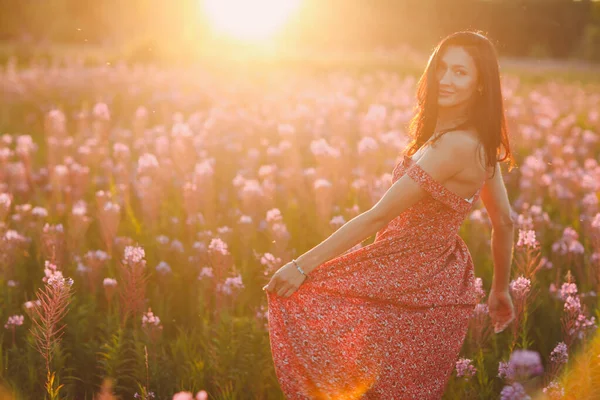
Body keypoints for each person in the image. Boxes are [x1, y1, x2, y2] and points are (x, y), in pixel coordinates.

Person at [263, 30, 516, 399]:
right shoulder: (478, 141)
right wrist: (499, 289)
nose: (445, 79)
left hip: (405, 284)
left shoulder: (454, 146)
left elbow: (376, 217)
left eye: (461, 73)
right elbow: (505, 222)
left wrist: (301, 266)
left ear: (481, 84)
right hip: (436, 284)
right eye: (442, 68)